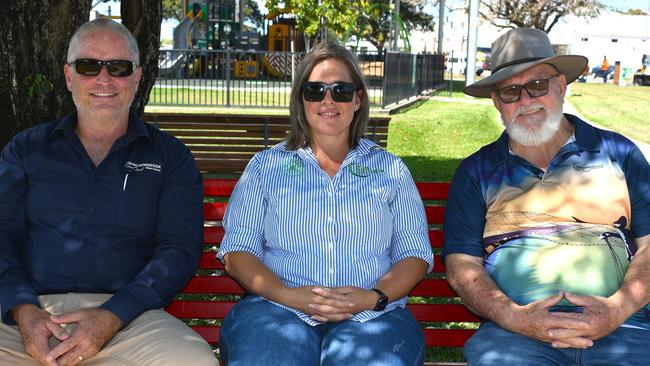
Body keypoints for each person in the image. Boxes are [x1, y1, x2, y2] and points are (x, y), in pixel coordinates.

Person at [0, 18, 217, 366]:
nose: (104, 79)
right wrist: (25, 312)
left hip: (128, 321)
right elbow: (2, 234)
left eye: (118, 67)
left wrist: (112, 316)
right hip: (26, 315)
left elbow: (177, 251)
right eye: (88, 66)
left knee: (192, 360)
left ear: (137, 77)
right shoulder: (26, 150)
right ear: (69, 76)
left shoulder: (170, 157)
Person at [217, 40, 433, 365]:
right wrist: (288, 296)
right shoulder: (266, 166)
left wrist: (371, 298)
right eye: (315, 90)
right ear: (301, 99)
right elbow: (237, 251)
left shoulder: (390, 170)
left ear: (358, 99)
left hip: (373, 317)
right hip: (277, 310)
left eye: (341, 90)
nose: (328, 100)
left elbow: (413, 254)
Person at [444, 27, 650, 365]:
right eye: (511, 91)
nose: (526, 101)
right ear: (497, 102)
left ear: (560, 87)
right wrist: (516, 317)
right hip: (514, 335)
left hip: (624, 327)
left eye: (538, 85)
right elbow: (461, 266)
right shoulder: (477, 172)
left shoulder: (617, 153)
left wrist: (616, 310)